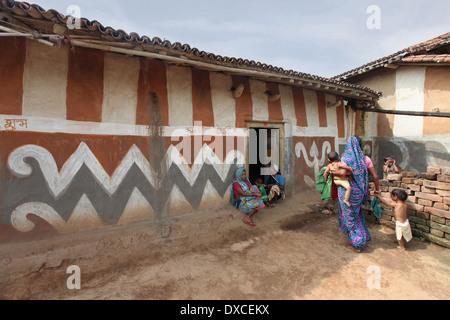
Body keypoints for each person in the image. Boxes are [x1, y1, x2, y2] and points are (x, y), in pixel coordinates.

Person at [338, 136, 381, 253]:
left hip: (348, 191)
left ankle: (358, 243)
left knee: (349, 217)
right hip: (360, 192)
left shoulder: (346, 159)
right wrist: (377, 190)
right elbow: (376, 177)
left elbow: (342, 173)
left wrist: (332, 170)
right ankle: (363, 235)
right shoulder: (366, 159)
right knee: (356, 214)